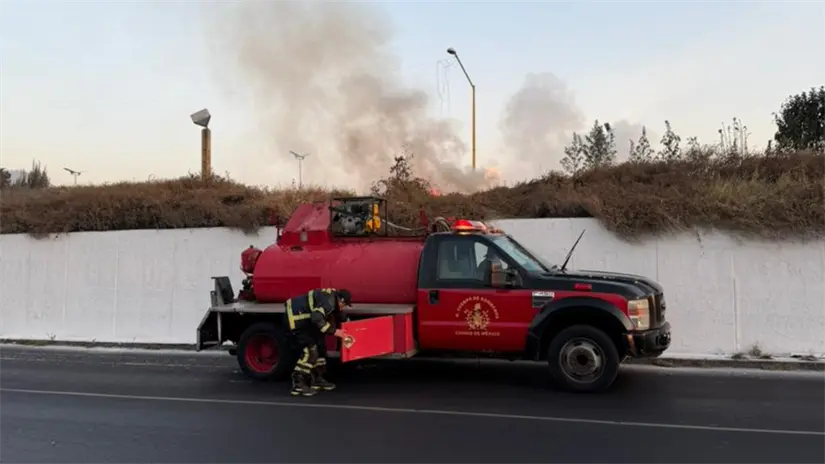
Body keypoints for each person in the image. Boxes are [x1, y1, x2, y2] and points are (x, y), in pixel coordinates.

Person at [283, 288, 353, 397]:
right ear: (341, 300)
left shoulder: (332, 300)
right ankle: (298, 384)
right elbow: (316, 317)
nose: (344, 307)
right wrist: (335, 331)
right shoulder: (329, 302)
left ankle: (316, 379)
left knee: (320, 347)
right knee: (310, 350)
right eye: (344, 305)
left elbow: (338, 314)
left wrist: (348, 323)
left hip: (307, 320)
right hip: (297, 320)